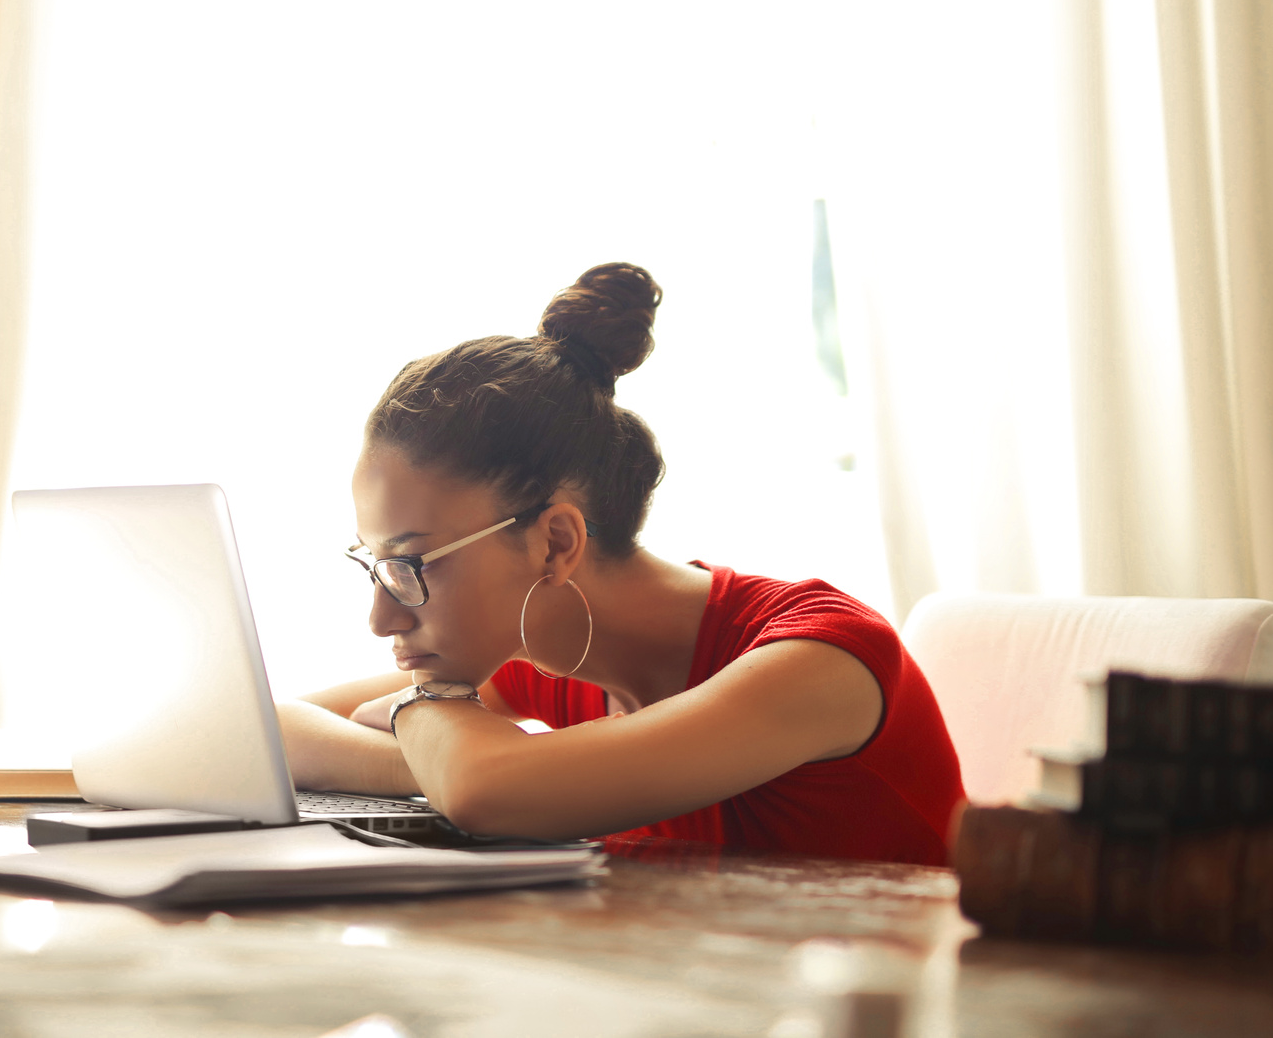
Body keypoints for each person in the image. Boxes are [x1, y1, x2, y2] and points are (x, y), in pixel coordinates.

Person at [276, 262, 965, 863]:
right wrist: (433, 754)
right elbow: (270, 725)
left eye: (411, 564)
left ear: (555, 544)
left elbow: (487, 790)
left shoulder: (823, 659)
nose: (380, 616)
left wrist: (417, 710)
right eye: (376, 565)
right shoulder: (555, 658)